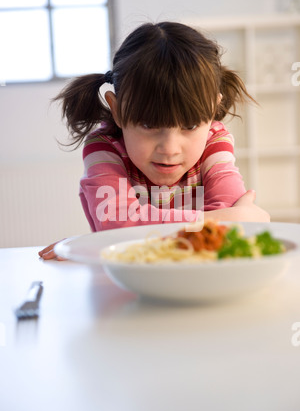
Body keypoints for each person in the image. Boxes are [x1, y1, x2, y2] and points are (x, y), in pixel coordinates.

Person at [39, 21, 269, 260]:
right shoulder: (104, 147)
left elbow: (229, 227)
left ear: (213, 110)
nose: (169, 149)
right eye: (149, 125)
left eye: (189, 126)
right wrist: (223, 219)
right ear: (117, 111)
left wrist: (105, 241)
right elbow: (118, 226)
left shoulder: (215, 140)